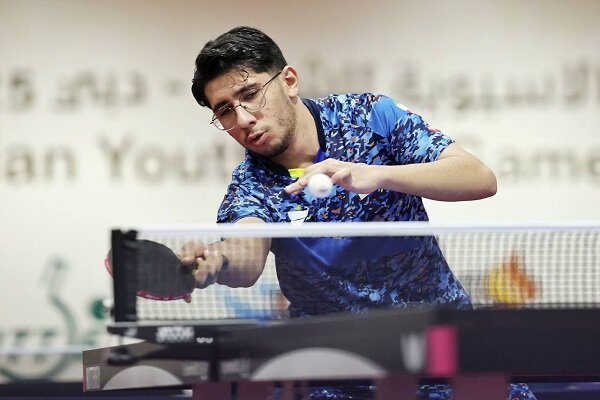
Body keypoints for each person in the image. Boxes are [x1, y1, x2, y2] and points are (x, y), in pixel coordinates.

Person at [186, 26, 536, 400]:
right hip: (335, 373)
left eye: (250, 95)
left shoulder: (369, 116)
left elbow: (479, 178)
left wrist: (380, 175)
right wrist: (214, 261)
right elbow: (245, 254)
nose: (242, 119)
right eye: (225, 110)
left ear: (289, 81)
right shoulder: (250, 186)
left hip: (440, 351)